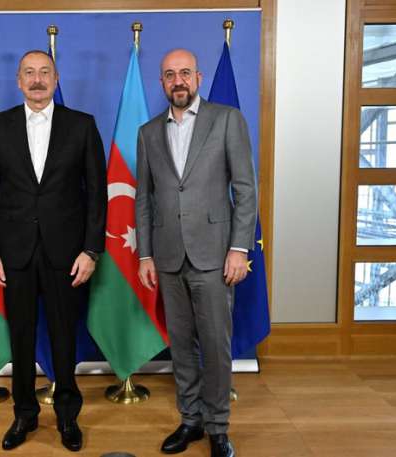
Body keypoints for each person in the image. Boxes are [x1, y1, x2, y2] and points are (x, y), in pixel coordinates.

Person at [0, 50, 107, 452]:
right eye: (29, 73)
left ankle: (68, 416)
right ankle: (24, 414)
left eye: (44, 72)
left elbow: (97, 195)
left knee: (64, 336)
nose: (37, 80)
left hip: (67, 253)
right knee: (21, 337)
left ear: (56, 78)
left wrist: (91, 250)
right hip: (13, 253)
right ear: (19, 81)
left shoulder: (82, 126)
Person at [135, 48, 257, 457]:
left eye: (185, 73)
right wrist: (145, 255)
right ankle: (190, 419)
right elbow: (144, 199)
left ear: (198, 78)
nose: (178, 81)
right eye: (170, 75)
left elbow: (245, 189)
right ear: (162, 83)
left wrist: (238, 248)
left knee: (216, 345)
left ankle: (218, 427)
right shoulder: (148, 132)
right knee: (182, 345)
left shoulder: (227, 120)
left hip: (215, 255)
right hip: (168, 256)